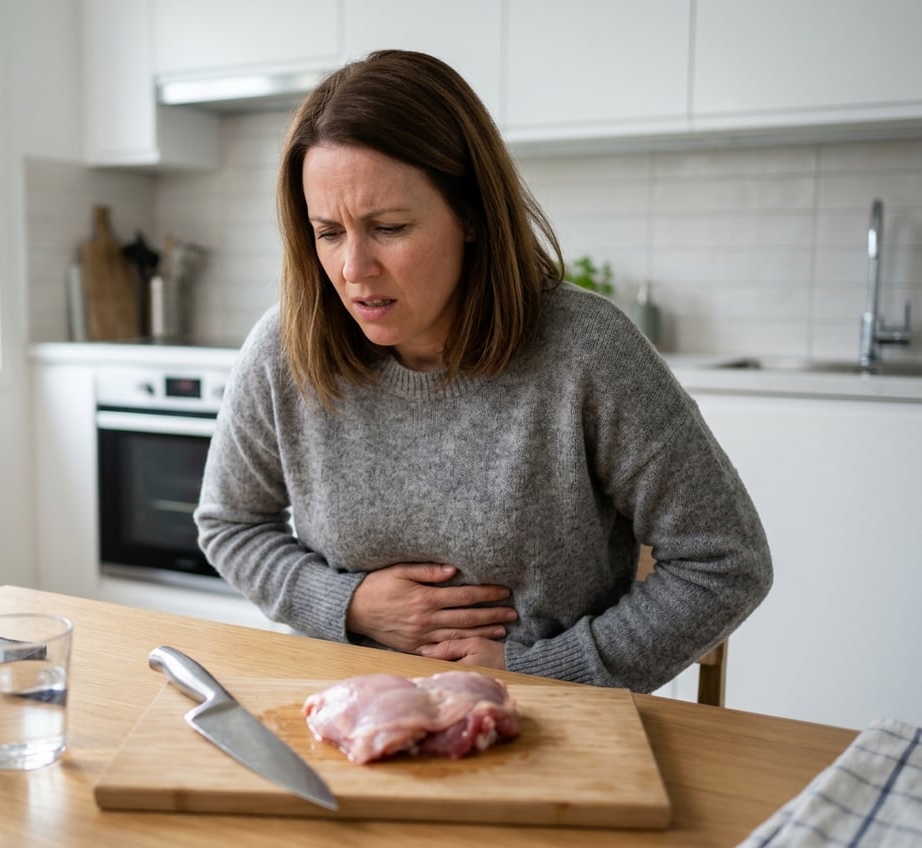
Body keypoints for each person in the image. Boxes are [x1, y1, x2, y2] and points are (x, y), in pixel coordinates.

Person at [194, 50, 772, 693]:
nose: (353, 269)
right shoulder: (284, 346)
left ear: (470, 214)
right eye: (328, 232)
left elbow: (726, 562)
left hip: (548, 722)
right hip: (340, 702)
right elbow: (230, 524)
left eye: (388, 227)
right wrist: (348, 604)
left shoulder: (587, 351)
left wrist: (539, 673)